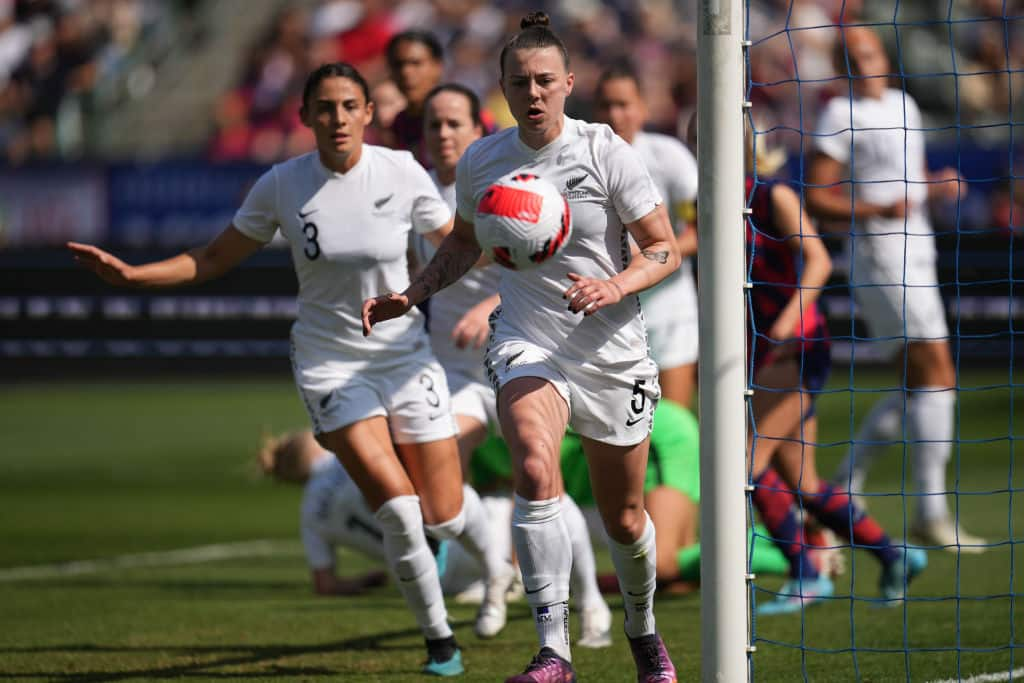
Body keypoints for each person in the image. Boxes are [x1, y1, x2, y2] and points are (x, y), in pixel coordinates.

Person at [67, 61, 517, 676]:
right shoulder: (282, 184)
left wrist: (522, 268)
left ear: (368, 114)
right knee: (401, 510)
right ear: (304, 116)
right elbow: (212, 257)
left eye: (348, 106)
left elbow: (456, 246)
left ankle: (498, 567)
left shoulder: (401, 171)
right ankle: (440, 641)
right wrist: (132, 275)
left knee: (442, 510)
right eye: (324, 107)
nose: (337, 118)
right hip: (331, 367)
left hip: (407, 358)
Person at [364, 12, 681, 683]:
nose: (532, 92)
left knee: (624, 519)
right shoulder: (483, 159)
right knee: (534, 468)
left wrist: (616, 284)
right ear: (502, 90)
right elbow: (461, 244)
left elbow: (664, 247)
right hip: (528, 339)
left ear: (568, 82)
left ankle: (643, 632)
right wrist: (413, 294)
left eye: (544, 80)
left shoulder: (605, 150)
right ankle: (553, 652)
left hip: (613, 350)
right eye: (518, 82)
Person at [805, 26, 985, 552]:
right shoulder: (839, 115)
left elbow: (907, 177)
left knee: (918, 382)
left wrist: (935, 184)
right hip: (879, 256)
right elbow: (818, 198)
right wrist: (876, 210)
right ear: (843, 66)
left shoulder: (905, 105)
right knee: (936, 370)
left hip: (919, 250)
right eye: (852, 58)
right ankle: (929, 510)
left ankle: (839, 493)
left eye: (869, 53)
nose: (864, 64)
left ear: (882, 56)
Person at [734, 137, 927, 615]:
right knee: (802, 481)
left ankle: (805, 572)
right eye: (693, 140)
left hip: (796, 343)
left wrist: (786, 319)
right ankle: (893, 554)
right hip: (762, 350)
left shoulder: (772, 194)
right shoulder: (709, 200)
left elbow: (818, 258)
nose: (701, 147)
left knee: (743, 468)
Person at [593, 62, 700, 409]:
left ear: (642, 107)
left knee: (672, 422)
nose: (615, 113)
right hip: (607, 313)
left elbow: (702, 231)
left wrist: (647, 260)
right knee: (617, 430)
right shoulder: (582, 158)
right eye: (606, 105)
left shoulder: (669, 157)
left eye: (623, 104)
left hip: (668, 310)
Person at [386, 30, 445, 165]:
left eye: (416, 63)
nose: (406, 72)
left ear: (437, 67)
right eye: (398, 64)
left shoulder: (467, 114)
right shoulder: (399, 125)